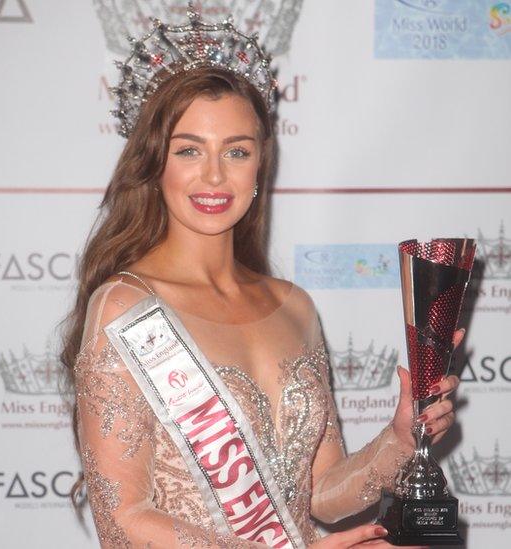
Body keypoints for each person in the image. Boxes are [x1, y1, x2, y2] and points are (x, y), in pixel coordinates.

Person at [61, 6, 462, 548]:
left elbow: (322, 492)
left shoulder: (293, 305)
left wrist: (396, 438)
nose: (214, 175)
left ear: (259, 165)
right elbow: (123, 521)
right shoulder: (125, 308)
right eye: (188, 150)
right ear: (155, 164)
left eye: (236, 150)